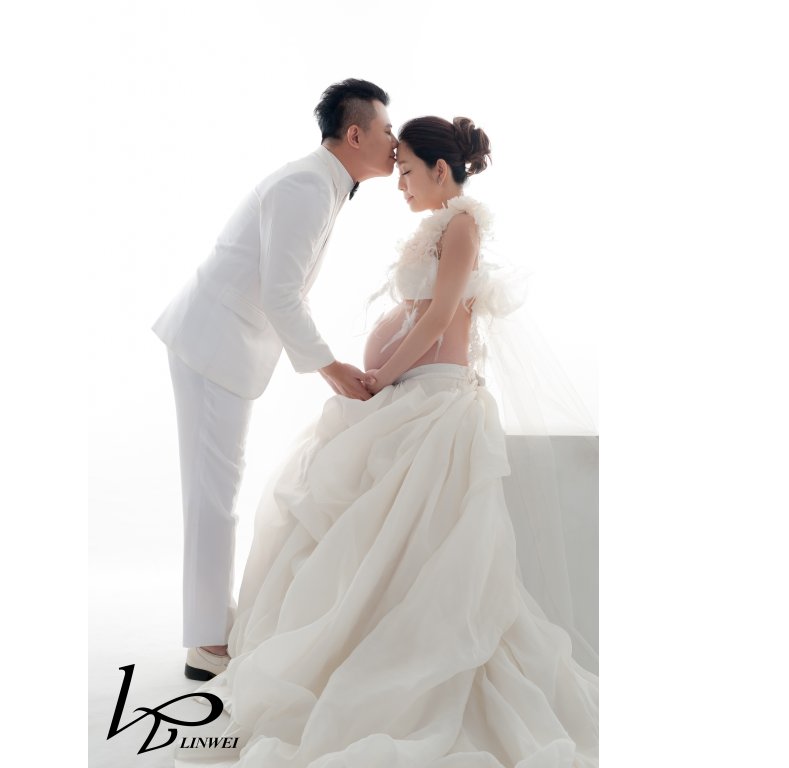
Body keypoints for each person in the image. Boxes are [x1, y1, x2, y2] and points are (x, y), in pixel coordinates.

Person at [189, 116, 600, 767]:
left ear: (440, 169)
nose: (400, 183)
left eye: (407, 170)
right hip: (410, 391)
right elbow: (417, 311)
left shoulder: (462, 224)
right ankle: (339, 640)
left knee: (396, 531)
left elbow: (439, 317)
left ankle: (386, 658)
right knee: (335, 504)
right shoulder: (436, 227)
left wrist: (383, 376)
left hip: (435, 396)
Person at [151, 79, 398, 681]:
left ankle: (211, 625)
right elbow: (281, 294)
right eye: (388, 130)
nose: (395, 142)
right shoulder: (306, 186)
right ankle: (206, 642)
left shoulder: (324, 183)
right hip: (213, 345)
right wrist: (332, 369)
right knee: (213, 496)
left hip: (223, 344)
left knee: (215, 492)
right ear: (356, 134)